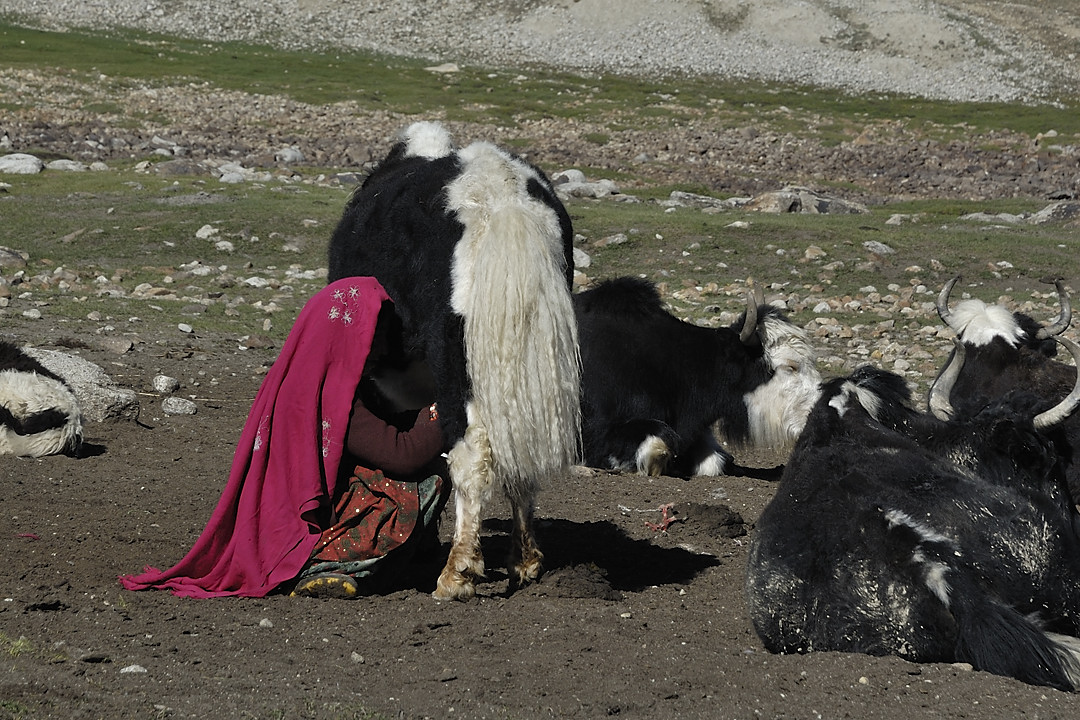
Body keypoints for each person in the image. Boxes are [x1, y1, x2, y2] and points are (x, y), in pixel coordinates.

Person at [120, 277, 450, 599]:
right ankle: (322, 564)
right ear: (348, 333)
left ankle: (388, 558)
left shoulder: (309, 376)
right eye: (373, 334)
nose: (382, 347)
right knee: (424, 484)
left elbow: (388, 428)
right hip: (297, 538)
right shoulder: (334, 397)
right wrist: (447, 406)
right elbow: (403, 454)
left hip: (278, 525)